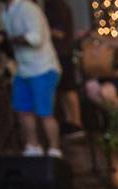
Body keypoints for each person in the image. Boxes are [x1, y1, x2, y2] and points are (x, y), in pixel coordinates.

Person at [0, 0, 63, 157]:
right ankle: (33, 147)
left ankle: (54, 150)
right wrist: (0, 39)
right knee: (23, 111)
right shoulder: (5, 12)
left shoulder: (28, 9)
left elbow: (35, 39)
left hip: (43, 68)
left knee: (45, 113)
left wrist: (6, 39)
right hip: (23, 69)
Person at [44, 0, 84, 138]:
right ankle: (69, 122)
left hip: (63, 52)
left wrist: (41, 29)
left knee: (68, 89)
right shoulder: (51, 5)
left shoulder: (57, 6)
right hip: (59, 53)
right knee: (63, 90)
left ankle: (76, 122)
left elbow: (60, 33)